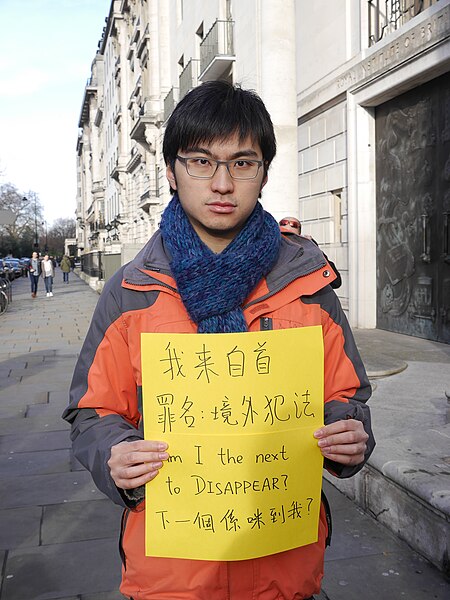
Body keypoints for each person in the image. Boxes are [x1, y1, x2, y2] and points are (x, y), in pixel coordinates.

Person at [63, 81, 374, 600]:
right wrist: (114, 455)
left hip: (285, 568)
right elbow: (91, 415)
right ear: (171, 172)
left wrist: (347, 435)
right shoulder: (130, 294)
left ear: (264, 173)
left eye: (242, 162)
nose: (223, 182)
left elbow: (348, 398)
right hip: (171, 573)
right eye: (201, 161)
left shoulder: (309, 285)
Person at [279, 217, 342, 289]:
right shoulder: (269, 253)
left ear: (299, 237)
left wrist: (314, 249)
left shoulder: (308, 255)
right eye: (284, 236)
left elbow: (335, 282)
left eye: (291, 236)